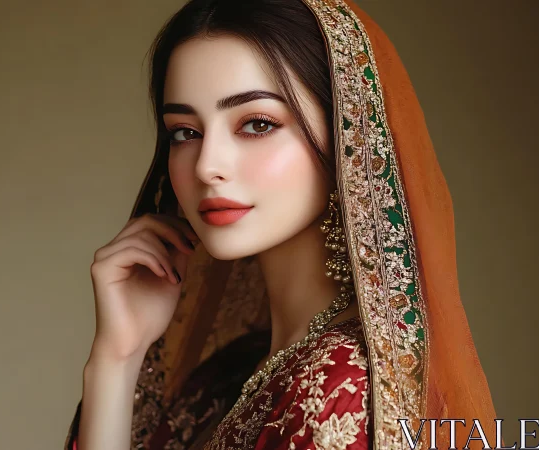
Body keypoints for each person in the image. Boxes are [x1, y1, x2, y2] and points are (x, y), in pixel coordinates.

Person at [64, 0, 499, 449]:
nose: (207, 166)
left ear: (347, 135)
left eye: (257, 123)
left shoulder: (343, 390)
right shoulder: (229, 373)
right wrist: (116, 359)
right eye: (185, 132)